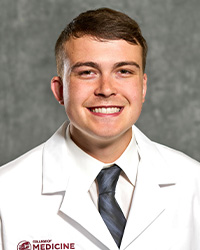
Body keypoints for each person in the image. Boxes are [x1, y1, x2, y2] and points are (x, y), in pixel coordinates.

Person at [0, 8, 200, 250]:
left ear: (143, 87)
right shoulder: (6, 193)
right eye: (87, 72)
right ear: (59, 90)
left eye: (124, 71)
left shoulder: (193, 183)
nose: (106, 89)